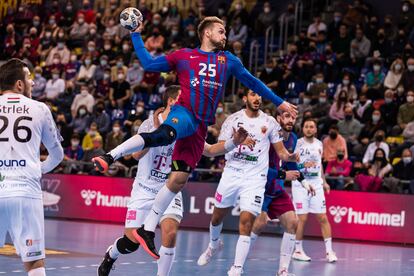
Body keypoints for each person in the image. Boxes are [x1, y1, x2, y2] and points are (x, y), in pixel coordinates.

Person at [92, 16, 297, 259]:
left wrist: (280, 103)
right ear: (207, 32)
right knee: (163, 134)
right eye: (221, 31)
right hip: (184, 113)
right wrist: (136, 35)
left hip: (200, 127)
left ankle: (148, 230)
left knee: (178, 179)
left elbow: (254, 82)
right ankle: (110, 155)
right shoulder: (183, 56)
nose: (225, 36)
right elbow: (148, 64)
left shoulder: (228, 60)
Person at [97, 85, 252, 276]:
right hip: (144, 189)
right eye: (183, 98)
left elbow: (210, 150)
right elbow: (136, 156)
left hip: (168, 188)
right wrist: (155, 132)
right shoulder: (149, 123)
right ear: (172, 101)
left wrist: (234, 142)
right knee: (131, 243)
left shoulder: (188, 127)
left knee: (170, 233)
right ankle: (111, 255)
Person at [197, 90, 298, 276]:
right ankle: (213, 245)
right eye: (253, 94)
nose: (257, 98)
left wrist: (290, 156)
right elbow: (218, 148)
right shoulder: (232, 120)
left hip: (255, 178)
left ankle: (237, 267)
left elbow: (282, 152)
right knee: (217, 217)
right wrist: (237, 142)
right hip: (232, 174)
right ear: (245, 99)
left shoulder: (270, 122)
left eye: (259, 95)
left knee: (246, 221)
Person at [0, 58, 64, 276]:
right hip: (26, 192)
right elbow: (57, 155)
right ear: (19, 84)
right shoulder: (40, 109)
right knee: (35, 262)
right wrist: (38, 169)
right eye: (29, 78)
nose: (32, 83)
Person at [249, 111, 313, 276]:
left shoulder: (292, 138)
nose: (290, 120)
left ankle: (283, 270)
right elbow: (258, 167)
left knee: (293, 222)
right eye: (286, 116)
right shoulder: (267, 136)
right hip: (260, 186)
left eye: (293, 117)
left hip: (276, 189)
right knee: (260, 223)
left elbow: (290, 164)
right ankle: (238, 264)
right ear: (278, 119)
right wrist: (283, 175)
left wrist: (304, 182)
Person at [291, 118, 337, 263]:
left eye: (312, 127)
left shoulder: (319, 144)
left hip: (316, 185)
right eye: (306, 127)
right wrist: (304, 165)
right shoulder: (297, 143)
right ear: (303, 129)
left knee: (323, 218)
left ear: (316, 129)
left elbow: (319, 165)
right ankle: (298, 250)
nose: (309, 129)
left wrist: (324, 182)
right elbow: (291, 164)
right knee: (301, 218)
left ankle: (329, 252)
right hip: (300, 184)